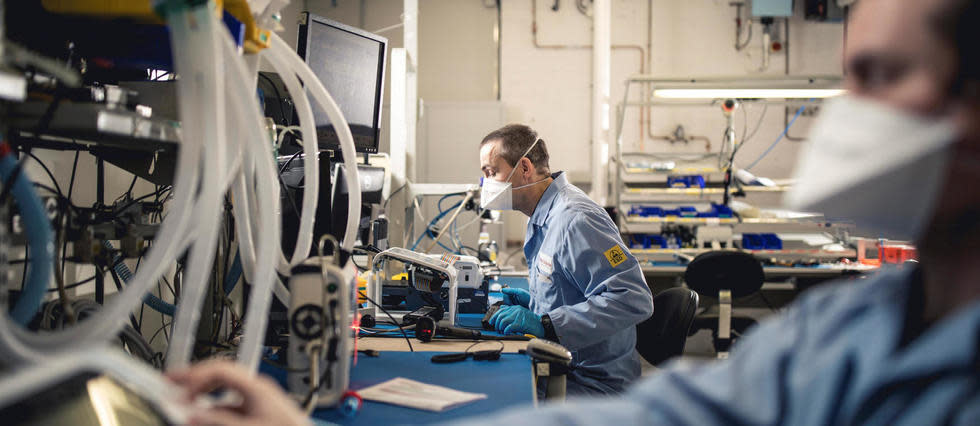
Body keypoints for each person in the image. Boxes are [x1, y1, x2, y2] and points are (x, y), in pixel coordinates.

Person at [170, 0, 979, 423]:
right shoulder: (848, 331)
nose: (846, 113)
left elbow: (626, 301)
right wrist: (527, 300)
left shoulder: (581, 217)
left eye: (878, 75)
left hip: (595, 376)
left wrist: (550, 328)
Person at [478, 124, 654, 395]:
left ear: (524, 168)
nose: (486, 183)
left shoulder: (575, 218)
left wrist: (546, 324)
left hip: (592, 383)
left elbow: (632, 298)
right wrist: (535, 304)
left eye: (492, 172)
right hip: (561, 366)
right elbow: (573, 288)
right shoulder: (542, 215)